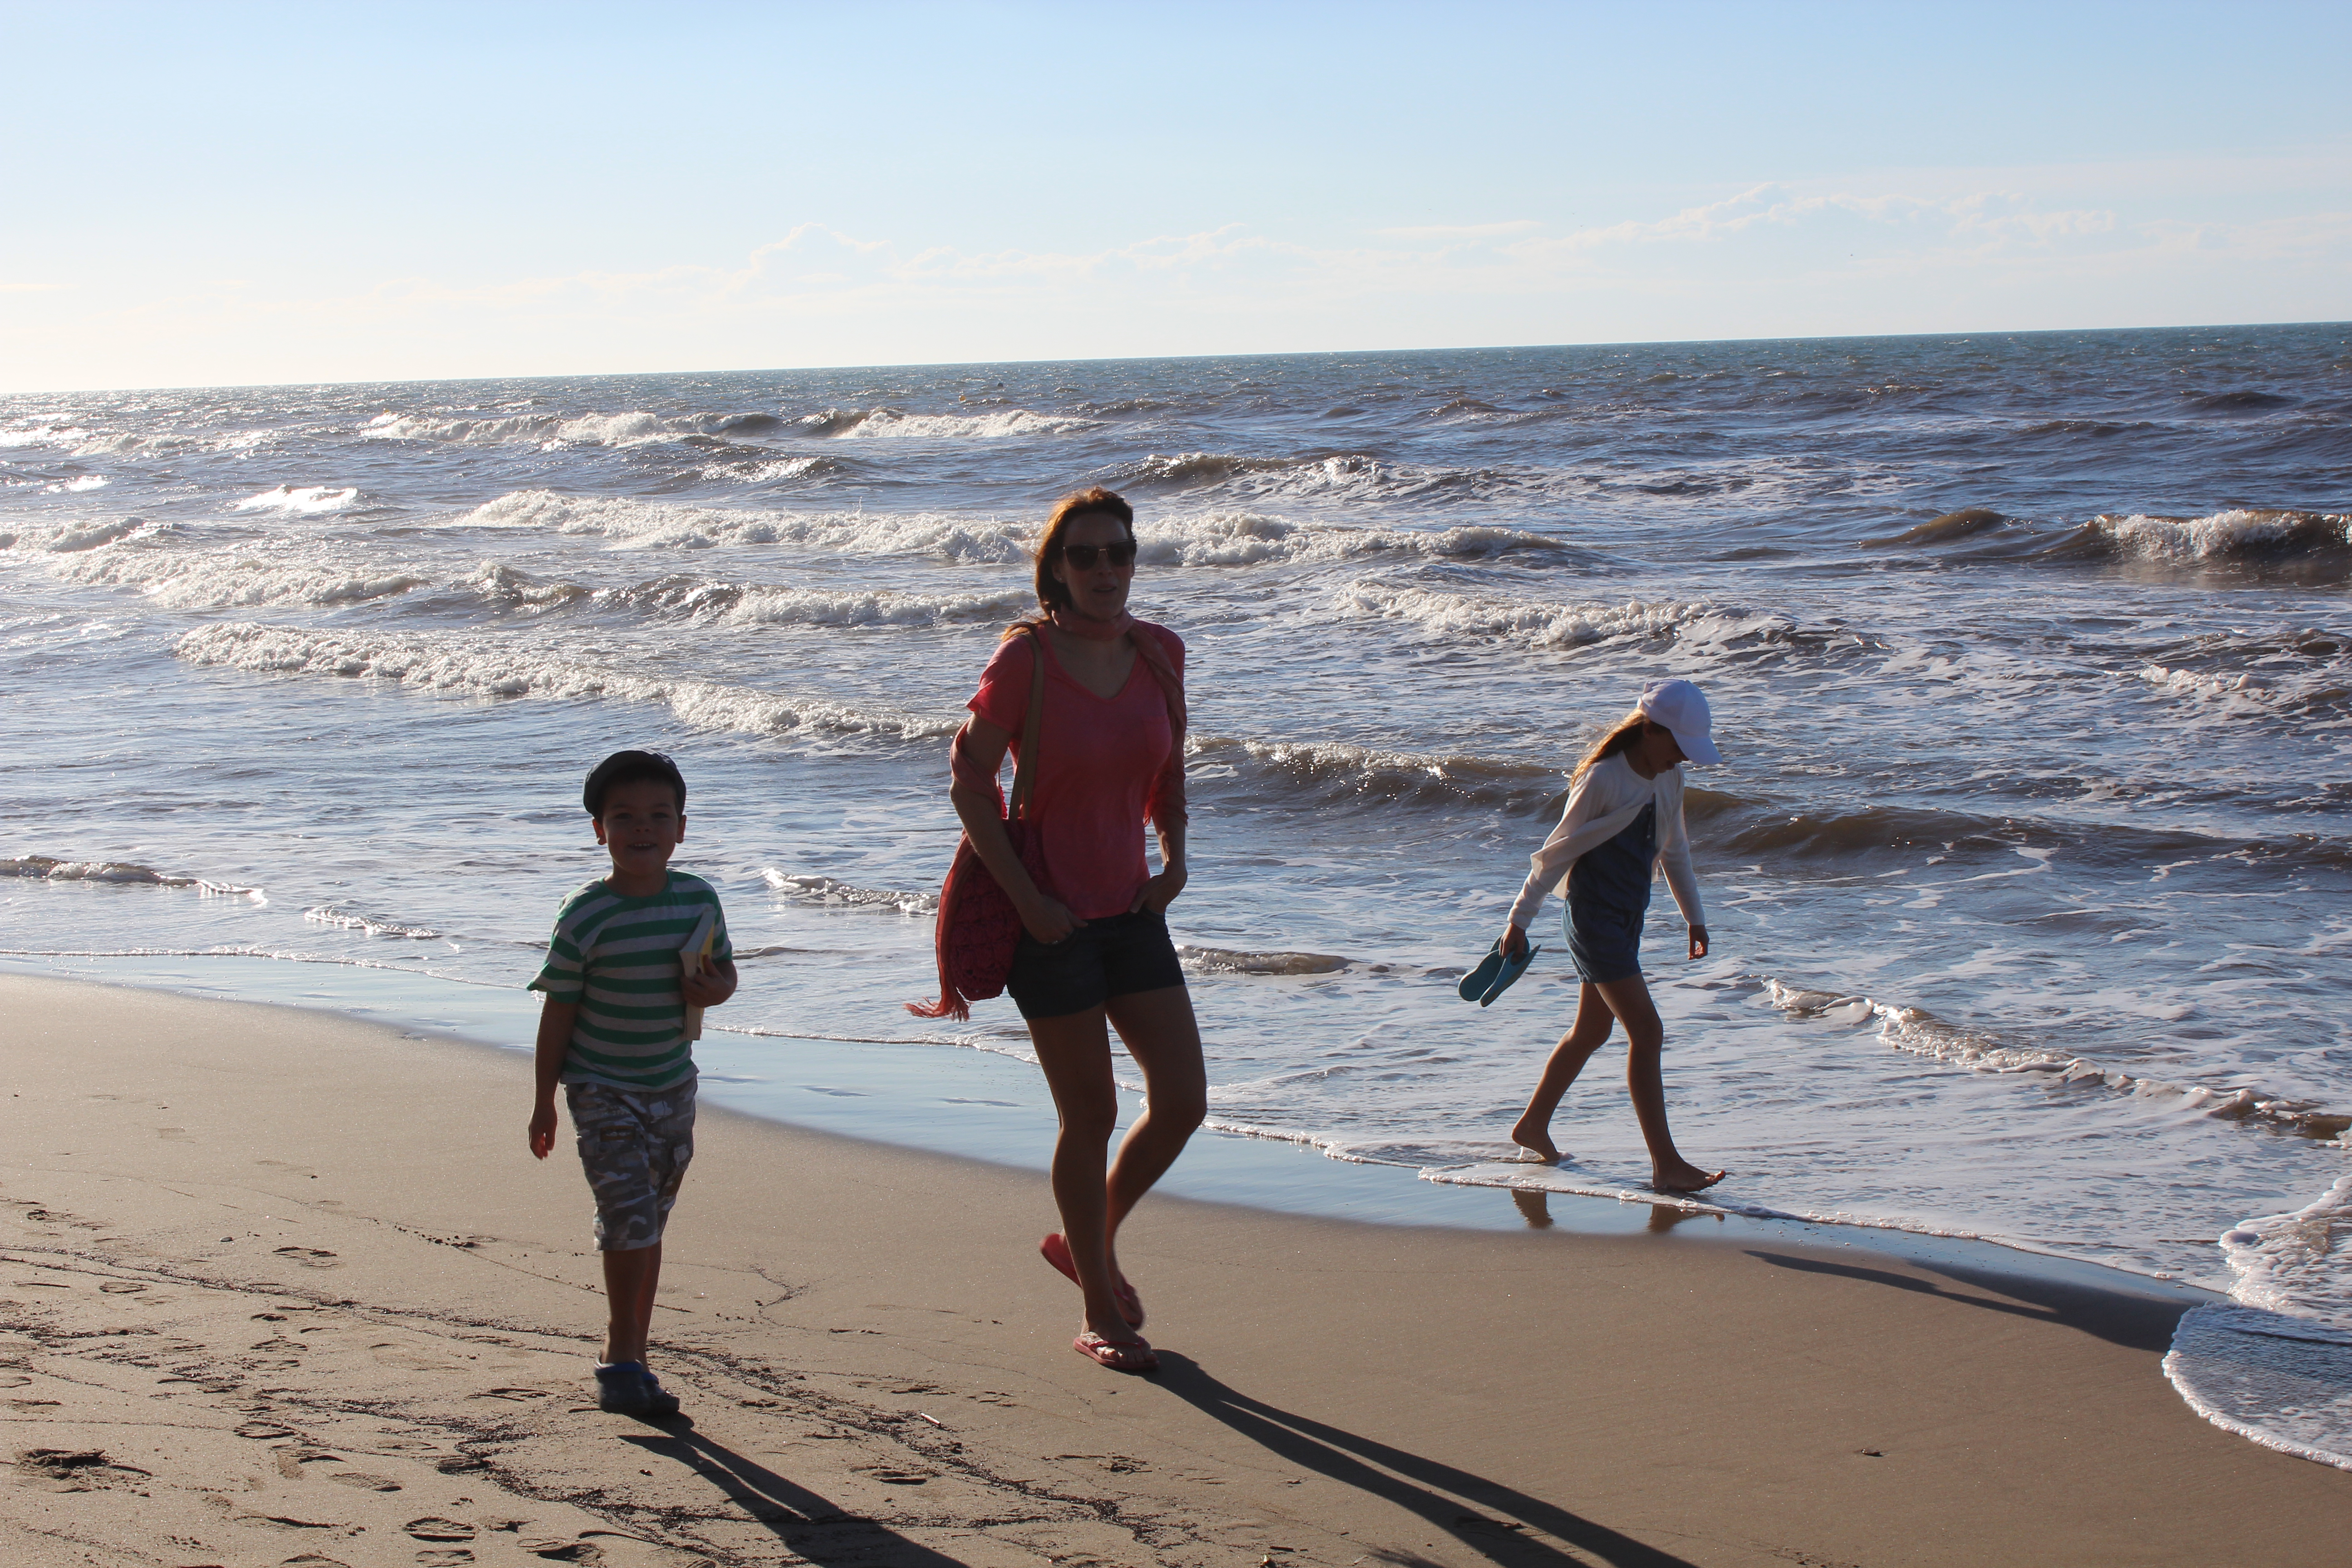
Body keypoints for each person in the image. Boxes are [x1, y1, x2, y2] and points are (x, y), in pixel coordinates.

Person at [947, 486, 1199, 1373]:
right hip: (1048, 921)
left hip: (1131, 912)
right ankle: (1100, 1303)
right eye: (1084, 556)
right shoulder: (1027, 660)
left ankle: (1085, 1240)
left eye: (1119, 553)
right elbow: (970, 783)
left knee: (1182, 1101)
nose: (1105, 570)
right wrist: (1026, 902)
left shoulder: (1159, 652)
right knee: (1088, 1112)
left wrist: (1174, 861)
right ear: (1055, 568)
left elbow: (1166, 771)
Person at [527, 749, 738, 1416]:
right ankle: (620, 1359)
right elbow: (558, 1011)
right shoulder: (586, 915)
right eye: (624, 817)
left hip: (673, 1085)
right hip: (600, 1087)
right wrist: (543, 1103)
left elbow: (724, 975)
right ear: (599, 831)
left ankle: (636, 1352)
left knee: (650, 1220)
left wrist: (717, 987)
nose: (641, 829)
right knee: (631, 1220)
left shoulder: (699, 898)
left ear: (682, 827)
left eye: (658, 816)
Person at [1497, 680, 1725, 1194]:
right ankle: (1666, 1165)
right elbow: (1554, 853)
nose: (1681, 760)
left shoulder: (1670, 781)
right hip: (1593, 921)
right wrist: (1519, 920)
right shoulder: (1603, 778)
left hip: (1628, 919)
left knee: (1591, 1033)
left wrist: (1695, 917)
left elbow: (1675, 852)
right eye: (1678, 748)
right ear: (1649, 730)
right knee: (1647, 1033)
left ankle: (1532, 1126)